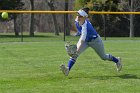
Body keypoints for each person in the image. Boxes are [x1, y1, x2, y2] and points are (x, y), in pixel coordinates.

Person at [60, 7, 122, 76]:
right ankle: (67, 69)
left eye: (80, 16)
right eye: (77, 15)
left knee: (103, 57)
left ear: (85, 17)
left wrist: (77, 50)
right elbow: (81, 36)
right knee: (75, 55)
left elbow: (82, 40)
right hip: (86, 41)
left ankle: (117, 60)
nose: (78, 17)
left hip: (95, 41)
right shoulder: (77, 20)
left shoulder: (85, 27)